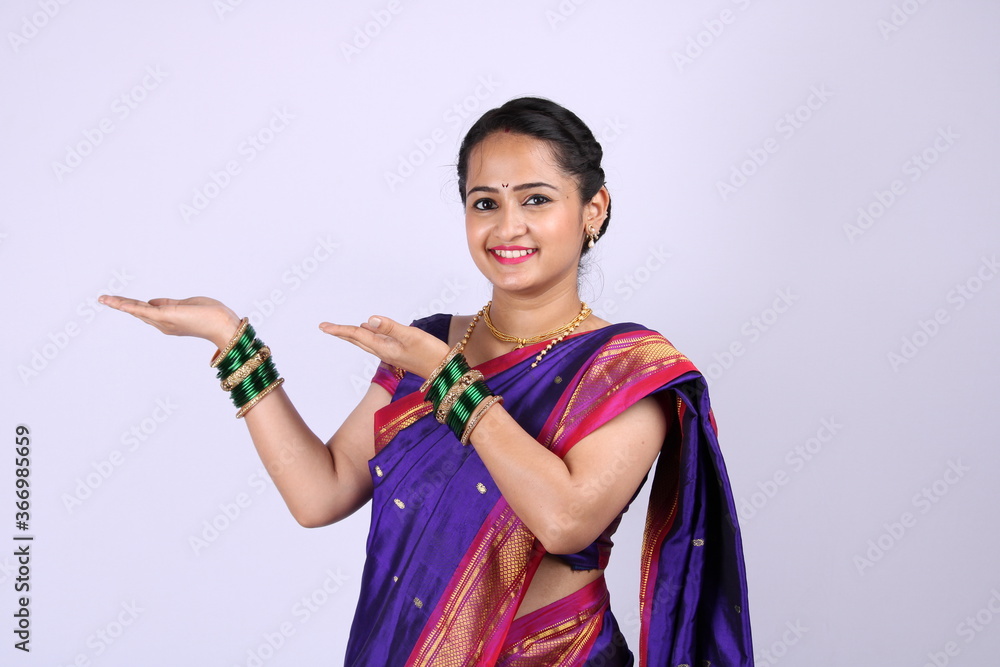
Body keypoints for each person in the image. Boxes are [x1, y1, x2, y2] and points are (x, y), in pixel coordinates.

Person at [100, 97, 753, 666]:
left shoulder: (626, 366)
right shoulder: (434, 336)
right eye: (484, 202)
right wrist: (229, 338)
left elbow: (564, 521)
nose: (508, 225)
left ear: (593, 209)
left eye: (536, 199)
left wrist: (450, 380)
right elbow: (318, 491)